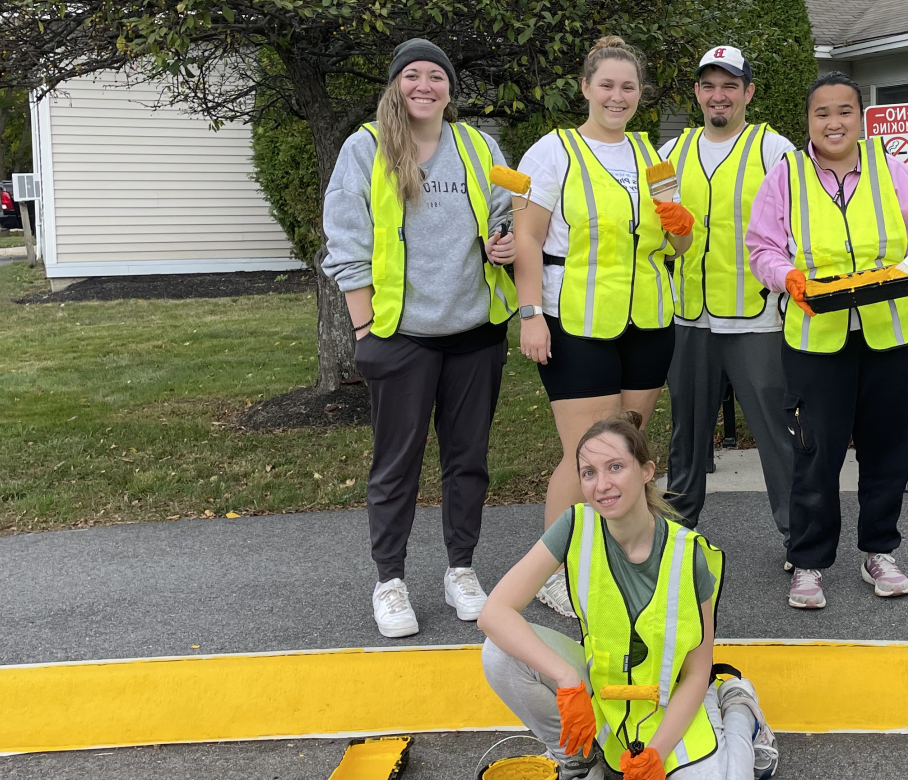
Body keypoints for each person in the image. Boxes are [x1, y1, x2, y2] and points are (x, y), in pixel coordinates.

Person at [322, 39, 518, 638]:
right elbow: (347, 242)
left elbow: (509, 208)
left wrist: (503, 242)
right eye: (413, 76)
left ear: (449, 88)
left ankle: (461, 570)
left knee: (468, 463)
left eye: (437, 76)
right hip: (402, 336)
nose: (425, 86)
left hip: (475, 333)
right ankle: (390, 581)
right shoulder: (366, 149)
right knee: (396, 465)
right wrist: (363, 329)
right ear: (396, 86)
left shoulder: (479, 146)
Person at [478, 412, 779, 780]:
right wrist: (567, 676)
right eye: (589, 473)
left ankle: (738, 707)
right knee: (499, 652)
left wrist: (657, 754)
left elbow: (697, 674)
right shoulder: (575, 525)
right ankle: (577, 760)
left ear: (647, 470)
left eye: (615, 467)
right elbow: (493, 613)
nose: (601, 484)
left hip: (669, 707)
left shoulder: (689, 557)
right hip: (606, 699)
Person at [745, 72, 908, 610]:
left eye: (844, 111)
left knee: (889, 449)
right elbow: (762, 247)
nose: (833, 122)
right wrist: (786, 277)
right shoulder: (785, 175)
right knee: (816, 452)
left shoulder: (892, 169)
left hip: (890, 333)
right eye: (821, 113)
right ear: (807, 122)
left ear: (860, 117)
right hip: (816, 337)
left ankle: (879, 550)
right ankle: (809, 560)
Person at [513, 36, 696, 618]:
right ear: (586, 88)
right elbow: (528, 238)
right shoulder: (552, 152)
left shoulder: (654, 157)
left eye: (629, 87)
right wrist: (530, 313)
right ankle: (553, 573)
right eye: (607, 85)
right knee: (585, 456)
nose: (618, 96)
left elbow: (679, 242)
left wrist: (681, 225)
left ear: (640, 94)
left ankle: (618, 560)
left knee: (625, 452)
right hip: (576, 323)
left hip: (647, 320)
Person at [659, 46, 799, 538]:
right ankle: (678, 532)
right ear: (697, 92)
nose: (719, 96)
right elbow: (656, 235)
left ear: (748, 93)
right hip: (688, 318)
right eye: (709, 85)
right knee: (686, 437)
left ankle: (798, 536)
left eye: (730, 86)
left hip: (757, 319)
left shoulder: (774, 149)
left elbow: (797, 229)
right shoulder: (670, 154)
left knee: (777, 434)